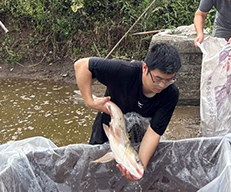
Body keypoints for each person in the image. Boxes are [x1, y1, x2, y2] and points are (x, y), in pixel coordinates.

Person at [74, 43, 181, 181]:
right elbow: (81, 65)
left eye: (169, 80)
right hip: (108, 130)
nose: (162, 85)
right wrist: (89, 101)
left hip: (140, 137)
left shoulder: (170, 94)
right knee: (97, 175)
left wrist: (138, 167)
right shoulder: (124, 71)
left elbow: (154, 132)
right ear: (144, 68)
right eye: (158, 79)